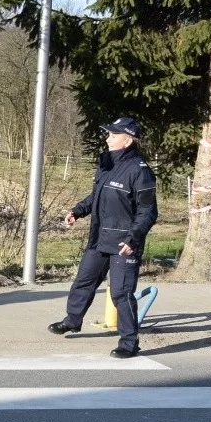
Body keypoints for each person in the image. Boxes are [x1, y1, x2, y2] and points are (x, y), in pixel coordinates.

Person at [48, 116, 158, 358]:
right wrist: (77, 211)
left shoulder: (141, 172)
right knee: (83, 281)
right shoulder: (107, 164)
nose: (108, 138)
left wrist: (133, 240)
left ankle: (129, 343)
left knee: (120, 293)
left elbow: (148, 212)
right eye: (108, 134)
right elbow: (96, 196)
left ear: (128, 140)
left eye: (113, 135)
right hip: (99, 238)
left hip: (124, 244)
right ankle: (72, 320)